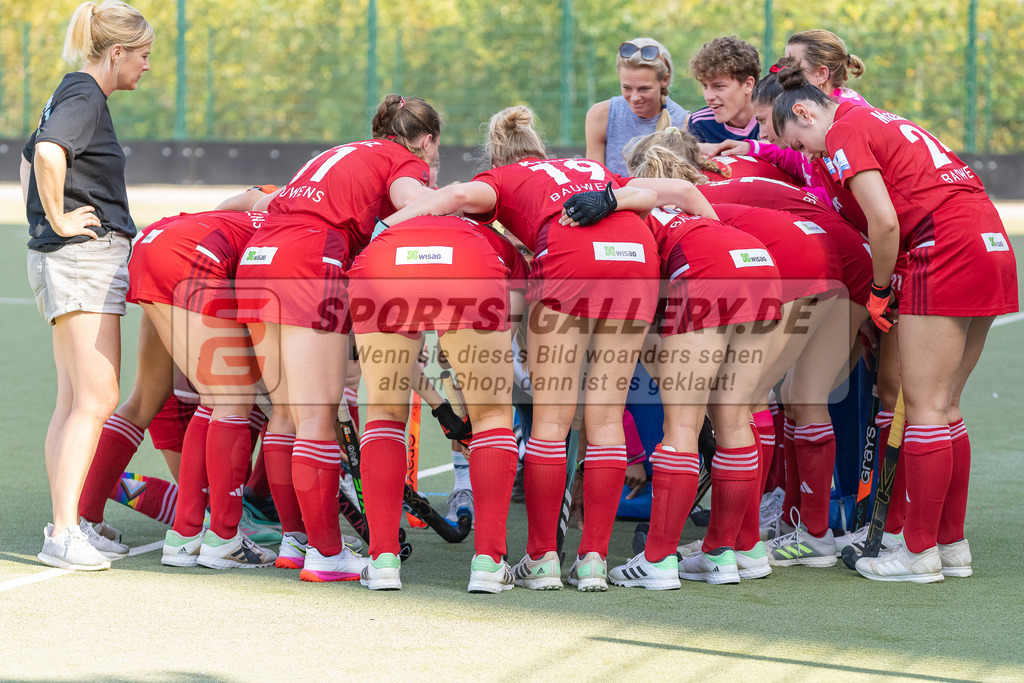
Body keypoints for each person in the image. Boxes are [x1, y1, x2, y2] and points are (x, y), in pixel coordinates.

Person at [383, 105, 661, 592]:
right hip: (635, 257)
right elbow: (647, 193)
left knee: (552, 420)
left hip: (572, 260)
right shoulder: (587, 168)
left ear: (498, 155)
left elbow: (457, 195)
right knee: (606, 417)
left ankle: (542, 559)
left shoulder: (503, 177)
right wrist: (609, 203)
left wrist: (388, 228)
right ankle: (593, 559)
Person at [773, 68, 1018, 582]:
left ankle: (919, 552)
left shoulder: (843, 128)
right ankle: (951, 545)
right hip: (989, 237)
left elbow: (884, 221)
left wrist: (880, 289)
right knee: (947, 406)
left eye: (803, 145)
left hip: (943, 245)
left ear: (804, 111)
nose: (814, 158)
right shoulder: (884, 118)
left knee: (925, 406)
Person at [235, 94, 440, 583]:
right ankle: (326, 554)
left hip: (261, 256)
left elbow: (264, 201)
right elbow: (417, 203)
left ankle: (296, 540)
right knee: (317, 416)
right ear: (427, 140)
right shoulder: (405, 160)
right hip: (310, 261)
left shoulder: (338, 152)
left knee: (285, 412)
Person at [22, 0, 153, 570]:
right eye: (143, 55)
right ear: (117, 52)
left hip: (68, 259)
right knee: (96, 398)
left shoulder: (71, 92)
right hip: (82, 259)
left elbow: (31, 154)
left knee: (74, 399)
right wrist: (59, 218)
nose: (147, 67)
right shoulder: (83, 95)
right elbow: (48, 152)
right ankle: (65, 533)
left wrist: (48, 219)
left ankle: (68, 522)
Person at [349, 215, 527, 592]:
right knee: (493, 413)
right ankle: (490, 563)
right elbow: (512, 311)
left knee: (383, 411)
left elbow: (404, 364)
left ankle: (382, 560)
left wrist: (441, 407)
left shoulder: (395, 228)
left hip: (382, 261)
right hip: (467, 265)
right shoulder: (494, 241)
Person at [585, 38, 690, 175]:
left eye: (644, 89)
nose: (634, 98)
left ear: (665, 80)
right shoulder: (601, 115)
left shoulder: (685, 123)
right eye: (627, 88)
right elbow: (595, 180)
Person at [686, 36, 760, 145]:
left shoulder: (775, 120)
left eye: (719, 86)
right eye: (705, 86)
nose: (709, 97)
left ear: (748, 85)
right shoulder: (700, 123)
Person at [785, 30, 869, 106]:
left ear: (821, 74)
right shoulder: (843, 101)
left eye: (793, 68)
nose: (783, 74)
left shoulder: (836, 113)